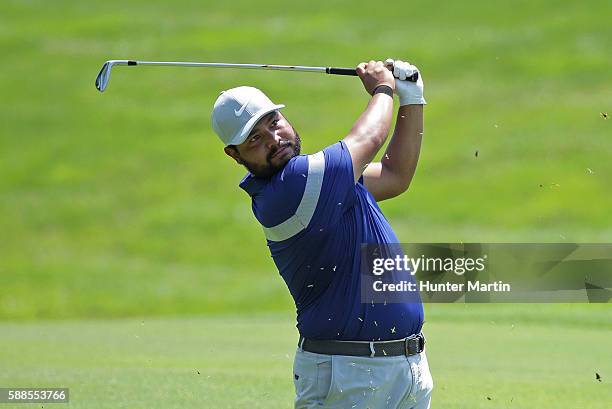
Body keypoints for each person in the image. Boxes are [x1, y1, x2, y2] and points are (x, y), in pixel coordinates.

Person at [211, 59, 433, 409]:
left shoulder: (323, 183)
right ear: (234, 154)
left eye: (274, 123)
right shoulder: (291, 188)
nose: (274, 139)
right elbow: (371, 137)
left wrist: (412, 98)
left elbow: (395, 175)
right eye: (255, 139)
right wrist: (383, 88)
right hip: (349, 373)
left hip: (404, 368)